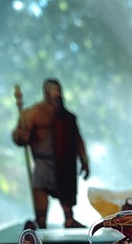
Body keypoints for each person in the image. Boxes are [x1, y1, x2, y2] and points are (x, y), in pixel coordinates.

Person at [12, 78, 90, 228]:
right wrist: (21, 136)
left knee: (65, 191)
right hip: (43, 162)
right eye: (54, 90)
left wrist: (84, 161)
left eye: (59, 90)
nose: (57, 94)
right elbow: (18, 136)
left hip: (64, 162)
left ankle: (69, 218)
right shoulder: (33, 113)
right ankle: (40, 221)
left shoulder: (68, 118)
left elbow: (78, 140)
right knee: (40, 190)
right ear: (46, 92)